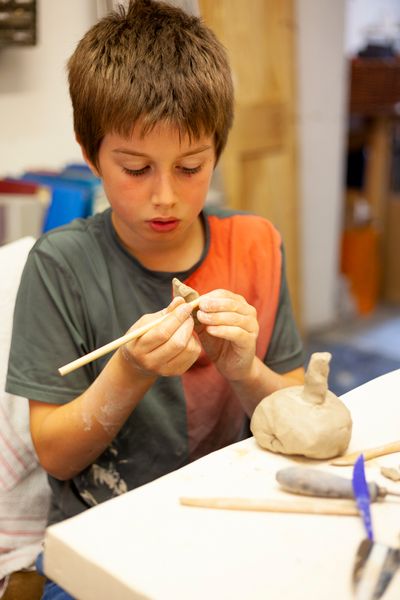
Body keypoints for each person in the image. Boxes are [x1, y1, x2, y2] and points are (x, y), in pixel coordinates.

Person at [6, 0, 304, 597]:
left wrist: (244, 370)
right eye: (136, 169)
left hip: (231, 522)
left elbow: (298, 417)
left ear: (216, 150)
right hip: (99, 538)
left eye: (190, 166)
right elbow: (57, 457)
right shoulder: (61, 265)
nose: (165, 195)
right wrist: (130, 370)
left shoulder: (256, 245)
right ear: (91, 155)